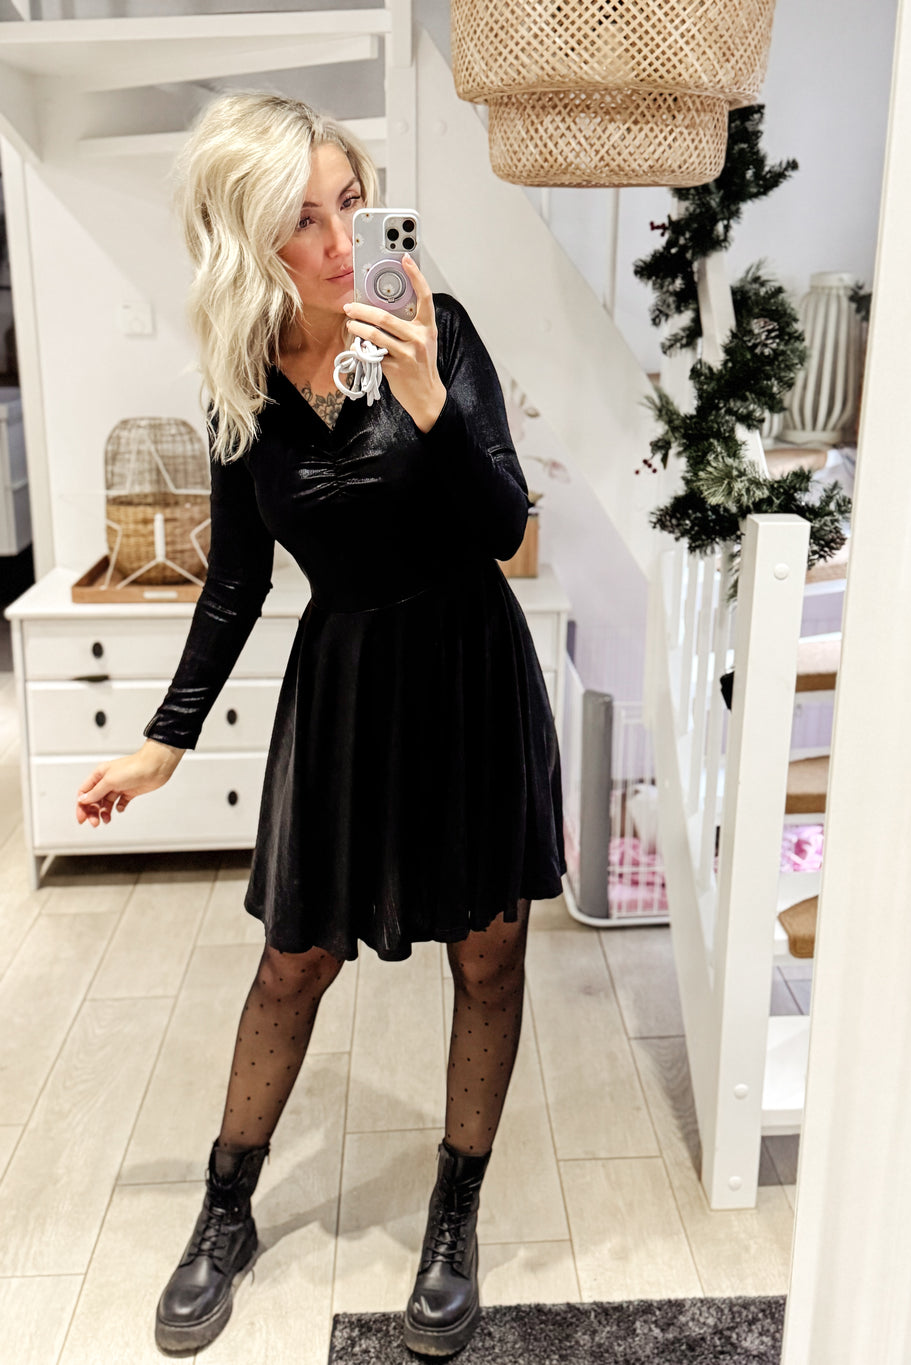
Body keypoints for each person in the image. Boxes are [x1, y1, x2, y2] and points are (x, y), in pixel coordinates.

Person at [74, 90, 566, 1358]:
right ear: (247, 236)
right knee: (293, 959)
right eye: (304, 218)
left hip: (468, 671)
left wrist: (429, 404)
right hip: (344, 689)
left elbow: (502, 527)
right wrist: (164, 741)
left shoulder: (438, 330)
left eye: (352, 202)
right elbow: (235, 582)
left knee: (488, 958)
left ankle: (453, 1216)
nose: (344, 241)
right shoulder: (240, 383)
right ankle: (225, 1209)